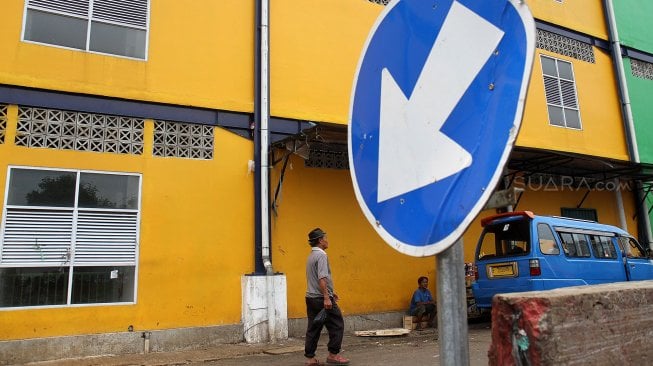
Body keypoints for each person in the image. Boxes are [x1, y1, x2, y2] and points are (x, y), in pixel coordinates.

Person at [304, 228, 350, 366]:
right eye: (325, 237)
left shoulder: (311, 256)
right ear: (320, 240)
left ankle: (310, 358)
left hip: (311, 297)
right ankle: (333, 355)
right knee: (337, 325)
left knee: (313, 328)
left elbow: (315, 279)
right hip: (320, 298)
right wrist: (326, 297)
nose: (327, 240)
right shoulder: (322, 255)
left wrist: (330, 291)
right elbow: (322, 277)